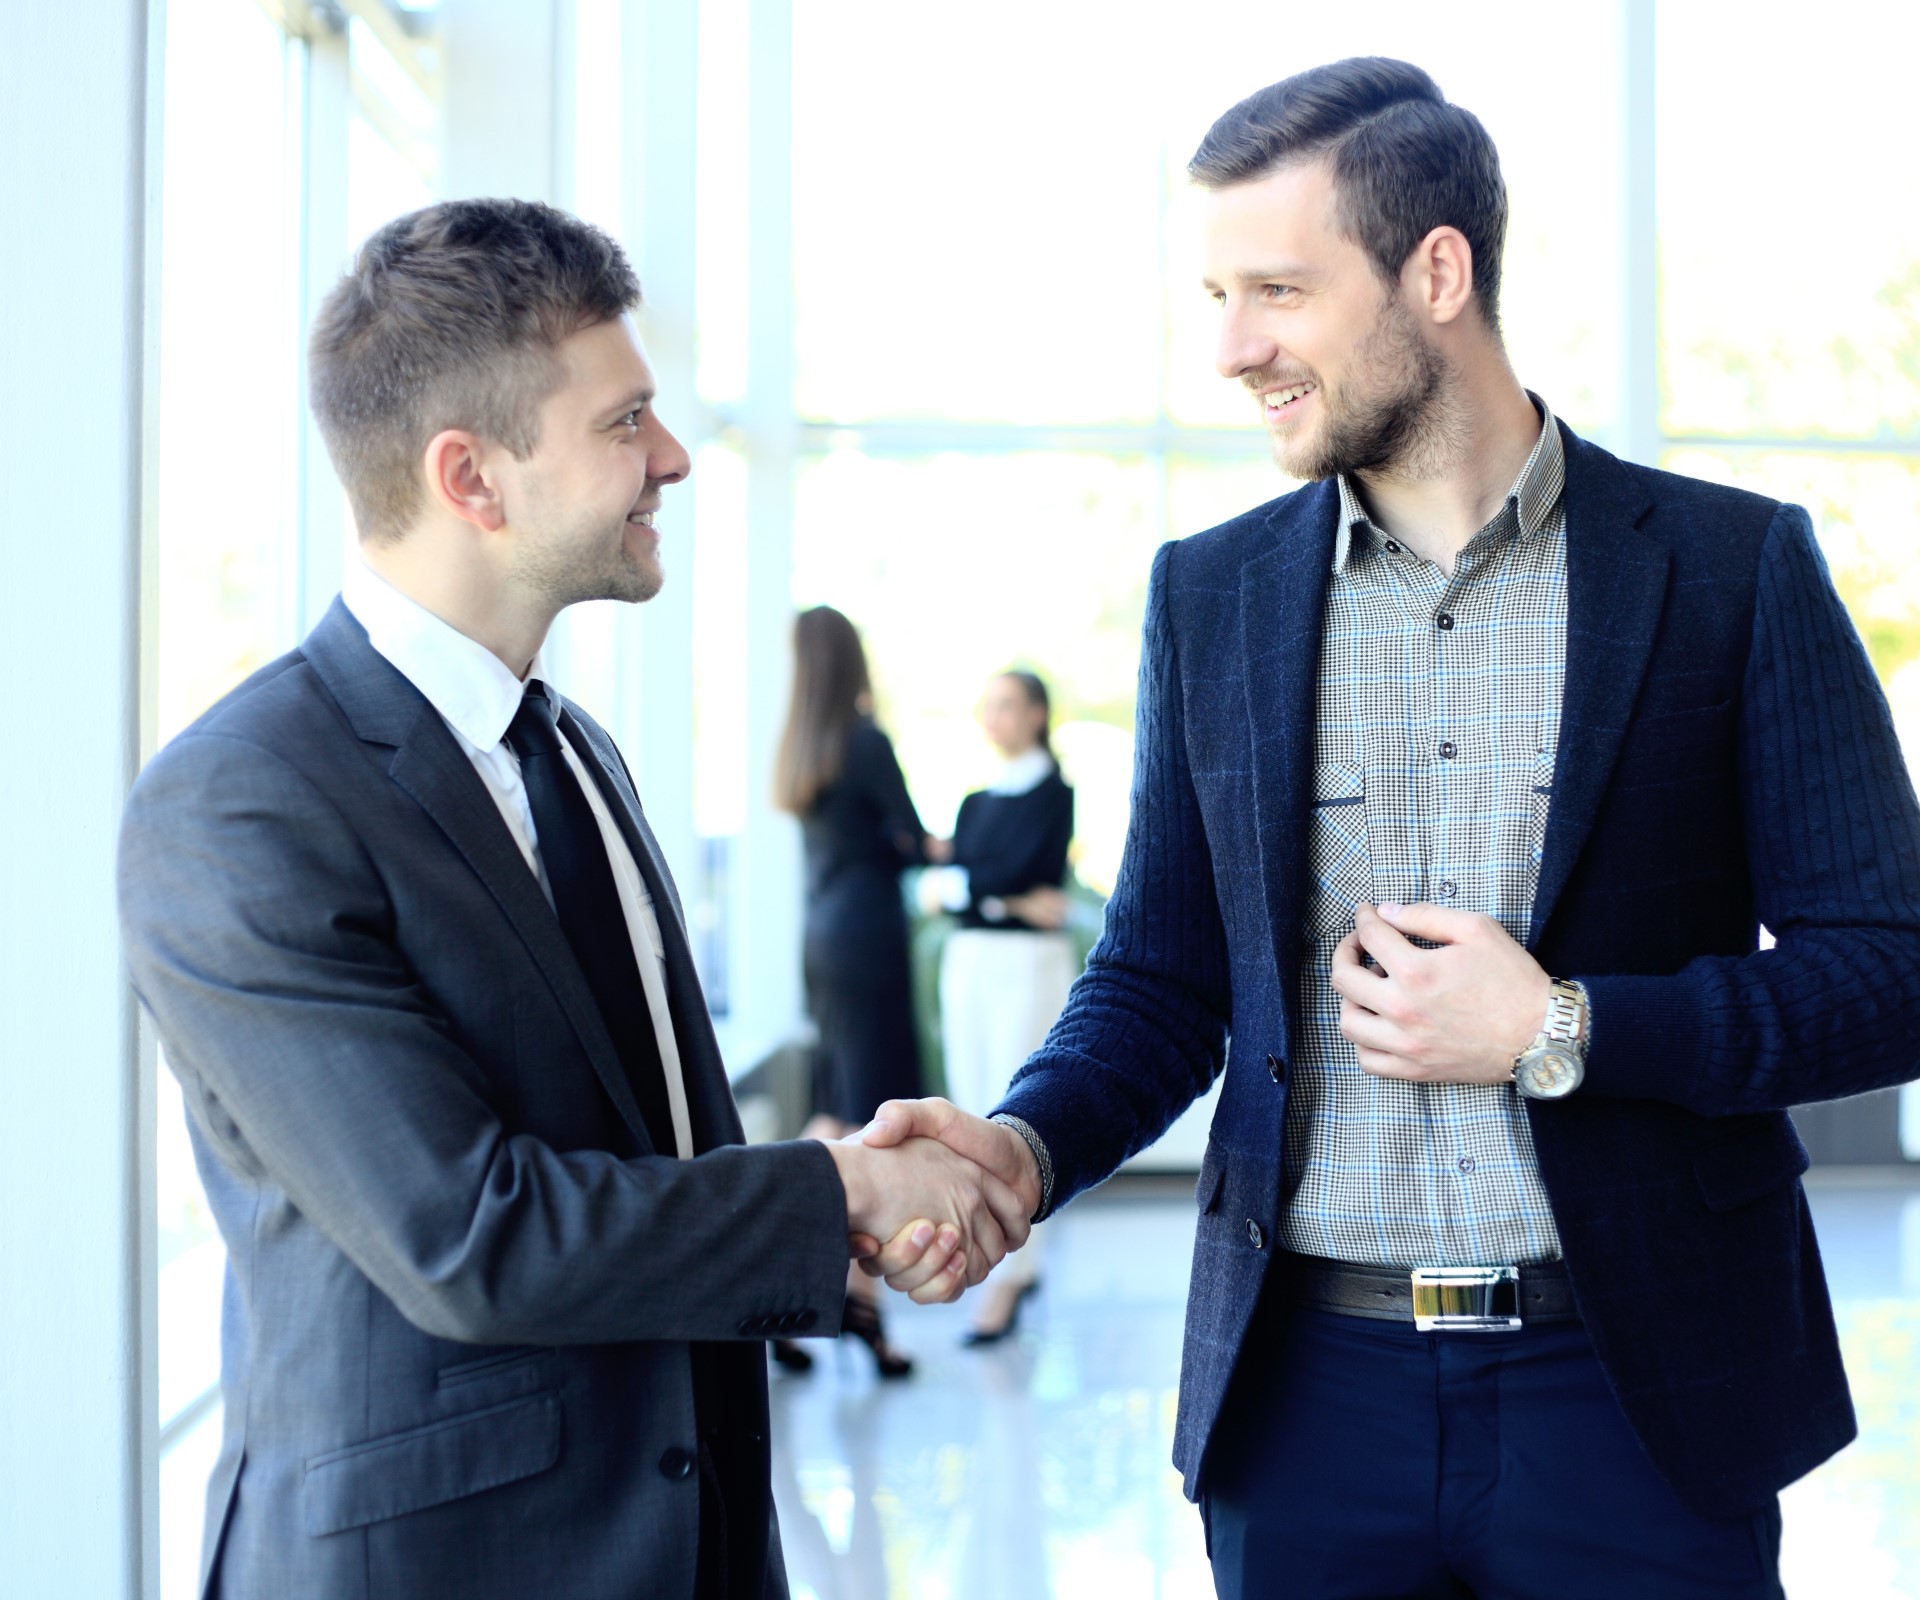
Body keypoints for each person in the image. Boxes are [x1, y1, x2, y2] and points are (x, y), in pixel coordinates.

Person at [861, 57, 1920, 1599]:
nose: (1232, 349)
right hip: (1308, 1407)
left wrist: (1564, 1028)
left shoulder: (1729, 570)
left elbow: (1891, 972)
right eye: (1218, 292)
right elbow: (1161, 978)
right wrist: (1024, 1149)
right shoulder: (1204, 598)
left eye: (1278, 289)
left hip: (1634, 1398)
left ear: (1438, 273)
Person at [116, 199, 1025, 1600]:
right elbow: (469, 1233)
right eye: (626, 424)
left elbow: (639, 1143)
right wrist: (835, 1186)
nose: (669, 458)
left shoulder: (576, 750)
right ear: (472, 478)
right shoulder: (242, 803)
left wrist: (832, 1220)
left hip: (688, 1531)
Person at [770, 604, 940, 1377]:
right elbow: (909, 839)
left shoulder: (800, 745)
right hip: (868, 937)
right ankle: (861, 1308)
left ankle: (785, 1280)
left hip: (821, 936)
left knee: (838, 1100)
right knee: (872, 1112)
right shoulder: (865, 741)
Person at [927, 671, 1076, 1343]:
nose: (995, 719)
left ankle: (1016, 1276)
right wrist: (1002, 896)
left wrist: (977, 888)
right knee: (970, 1106)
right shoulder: (975, 800)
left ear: (1038, 714)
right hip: (971, 960)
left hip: (1025, 966)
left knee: (1018, 1115)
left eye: (1008, 706)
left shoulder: (1055, 795)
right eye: (986, 707)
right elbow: (967, 882)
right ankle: (1001, 1260)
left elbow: (1005, 868)